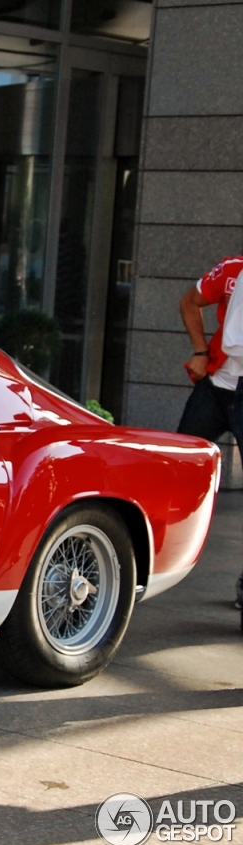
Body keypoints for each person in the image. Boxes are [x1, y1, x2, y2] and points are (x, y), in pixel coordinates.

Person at [176, 255, 243, 606]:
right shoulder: (233, 270)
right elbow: (190, 301)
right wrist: (200, 350)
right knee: (179, 470)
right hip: (216, 386)